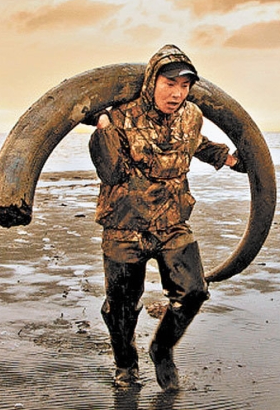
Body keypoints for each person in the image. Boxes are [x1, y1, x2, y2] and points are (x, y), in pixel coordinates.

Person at [86, 44, 246, 391]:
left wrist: (230, 160)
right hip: (124, 225)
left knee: (193, 292)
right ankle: (125, 364)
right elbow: (110, 172)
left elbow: (196, 143)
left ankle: (162, 350)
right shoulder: (119, 116)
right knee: (122, 307)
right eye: (169, 83)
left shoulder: (191, 115)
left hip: (173, 221)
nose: (176, 93)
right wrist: (103, 128)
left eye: (184, 86)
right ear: (151, 82)